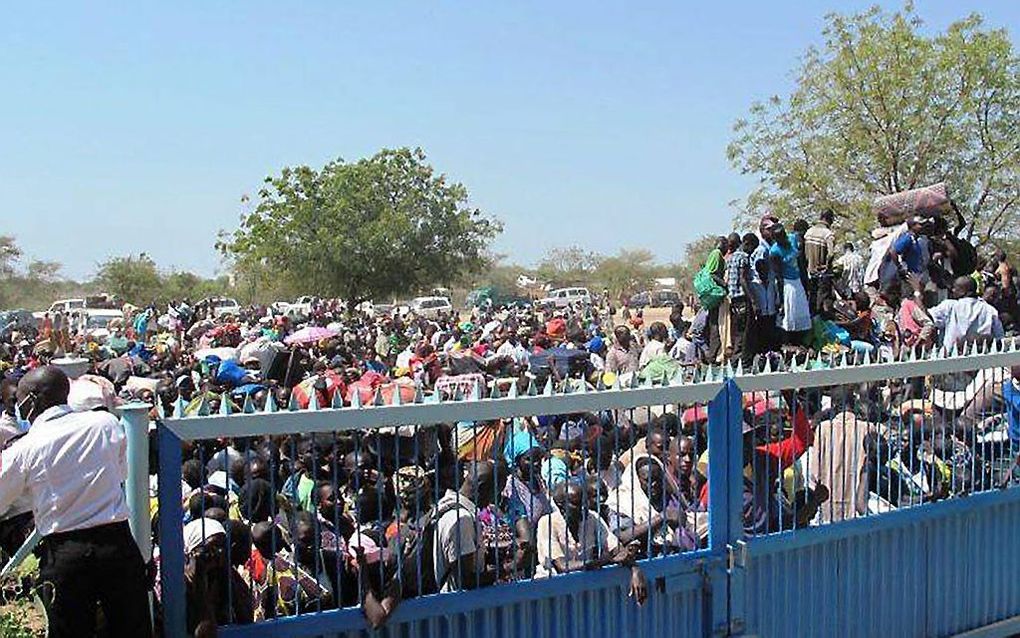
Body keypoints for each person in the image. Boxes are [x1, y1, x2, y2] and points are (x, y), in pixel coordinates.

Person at [0, 366, 152, 638]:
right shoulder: (104, 424)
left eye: (19, 399)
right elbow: (121, 473)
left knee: (69, 630)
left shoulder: (25, 447)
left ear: (32, 399)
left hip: (66, 553)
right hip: (116, 544)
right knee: (133, 628)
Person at [910, 274, 1003, 351]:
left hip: (951, 362)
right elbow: (999, 338)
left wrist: (917, 292)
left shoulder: (951, 306)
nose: (953, 290)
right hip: (980, 361)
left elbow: (925, 317)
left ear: (964, 291)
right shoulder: (990, 310)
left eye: (955, 288)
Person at [769, 222, 812, 345]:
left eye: (783, 235)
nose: (783, 239)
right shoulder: (775, 252)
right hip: (787, 284)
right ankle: (788, 343)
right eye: (779, 237)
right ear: (775, 238)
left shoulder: (793, 239)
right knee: (790, 313)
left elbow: (801, 262)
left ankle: (802, 342)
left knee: (802, 312)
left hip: (798, 280)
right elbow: (778, 276)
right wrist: (782, 299)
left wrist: (805, 282)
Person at [804, 209, 837, 316]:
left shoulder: (808, 232)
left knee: (811, 299)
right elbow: (831, 254)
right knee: (822, 300)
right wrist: (827, 266)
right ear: (830, 219)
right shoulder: (828, 234)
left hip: (809, 272)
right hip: (822, 274)